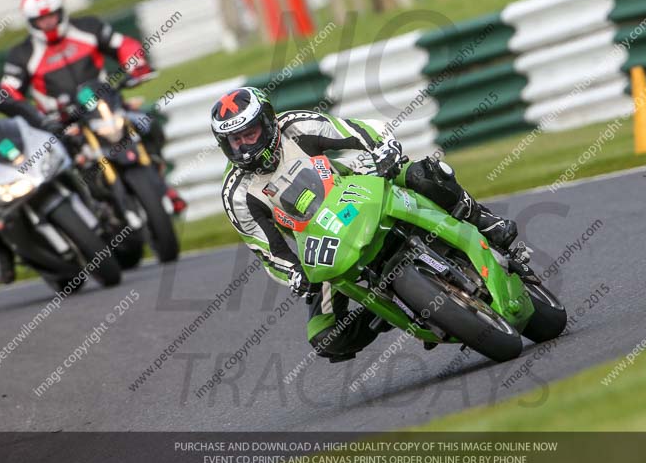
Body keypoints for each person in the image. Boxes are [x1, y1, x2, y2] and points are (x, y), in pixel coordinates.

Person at [213, 87, 518, 362]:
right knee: (325, 337)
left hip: (355, 185)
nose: (243, 147)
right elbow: (266, 248)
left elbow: (358, 131)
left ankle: (484, 220)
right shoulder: (236, 193)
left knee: (422, 173)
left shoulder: (295, 125)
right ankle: (387, 312)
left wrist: (383, 150)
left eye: (249, 134)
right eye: (234, 140)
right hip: (323, 241)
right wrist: (294, 274)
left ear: (267, 124)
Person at [1, 0, 185, 213]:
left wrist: (136, 65)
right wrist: (28, 113)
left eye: (51, 16)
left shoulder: (88, 27)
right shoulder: (21, 54)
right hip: (60, 122)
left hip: (105, 106)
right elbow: (9, 89)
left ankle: (164, 186)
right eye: (42, 19)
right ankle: (86, 213)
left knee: (148, 124)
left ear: (61, 12)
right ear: (31, 22)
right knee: (55, 165)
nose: (48, 23)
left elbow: (124, 45)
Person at [0, 72, 64, 284]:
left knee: (62, 155)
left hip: (2, 144)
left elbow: (14, 105)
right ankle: (3, 252)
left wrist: (44, 122)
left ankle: (96, 200)